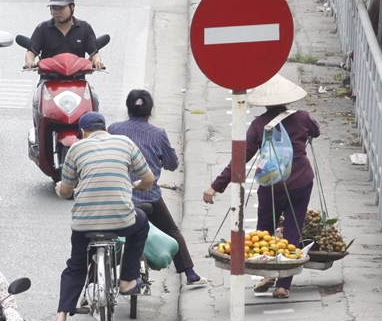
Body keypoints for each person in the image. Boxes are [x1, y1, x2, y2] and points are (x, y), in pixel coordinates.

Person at [202, 74, 321, 300]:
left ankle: (268, 272)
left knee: (265, 230)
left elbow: (241, 158)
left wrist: (217, 186)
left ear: (265, 102)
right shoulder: (303, 117)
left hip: (272, 185)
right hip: (301, 182)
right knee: (293, 231)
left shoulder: (259, 125)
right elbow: (316, 131)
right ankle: (283, 285)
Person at [50, 112, 153, 321]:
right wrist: (136, 185)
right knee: (141, 222)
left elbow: (66, 191)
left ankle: (60, 319)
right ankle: (127, 280)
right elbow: (148, 179)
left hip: (84, 225)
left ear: (83, 132)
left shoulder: (77, 149)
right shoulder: (125, 143)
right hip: (122, 221)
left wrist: (59, 189)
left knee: (75, 266)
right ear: (106, 129)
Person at [109, 89, 207, 288]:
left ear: (128, 109)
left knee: (102, 236)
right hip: (149, 197)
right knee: (172, 230)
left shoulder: (113, 129)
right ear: (150, 110)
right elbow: (172, 163)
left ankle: (93, 282)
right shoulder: (158, 134)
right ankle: (190, 273)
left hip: (119, 197)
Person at [24, 0, 103, 114]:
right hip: (48, 80)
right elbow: (31, 51)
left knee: (94, 99)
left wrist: (97, 61)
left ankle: (93, 129)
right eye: (54, 8)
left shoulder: (84, 28)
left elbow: (94, 52)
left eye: (61, 8)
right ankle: (39, 131)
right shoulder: (43, 28)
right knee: (38, 102)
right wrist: (30, 61)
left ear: (72, 7)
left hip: (78, 80)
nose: (57, 12)